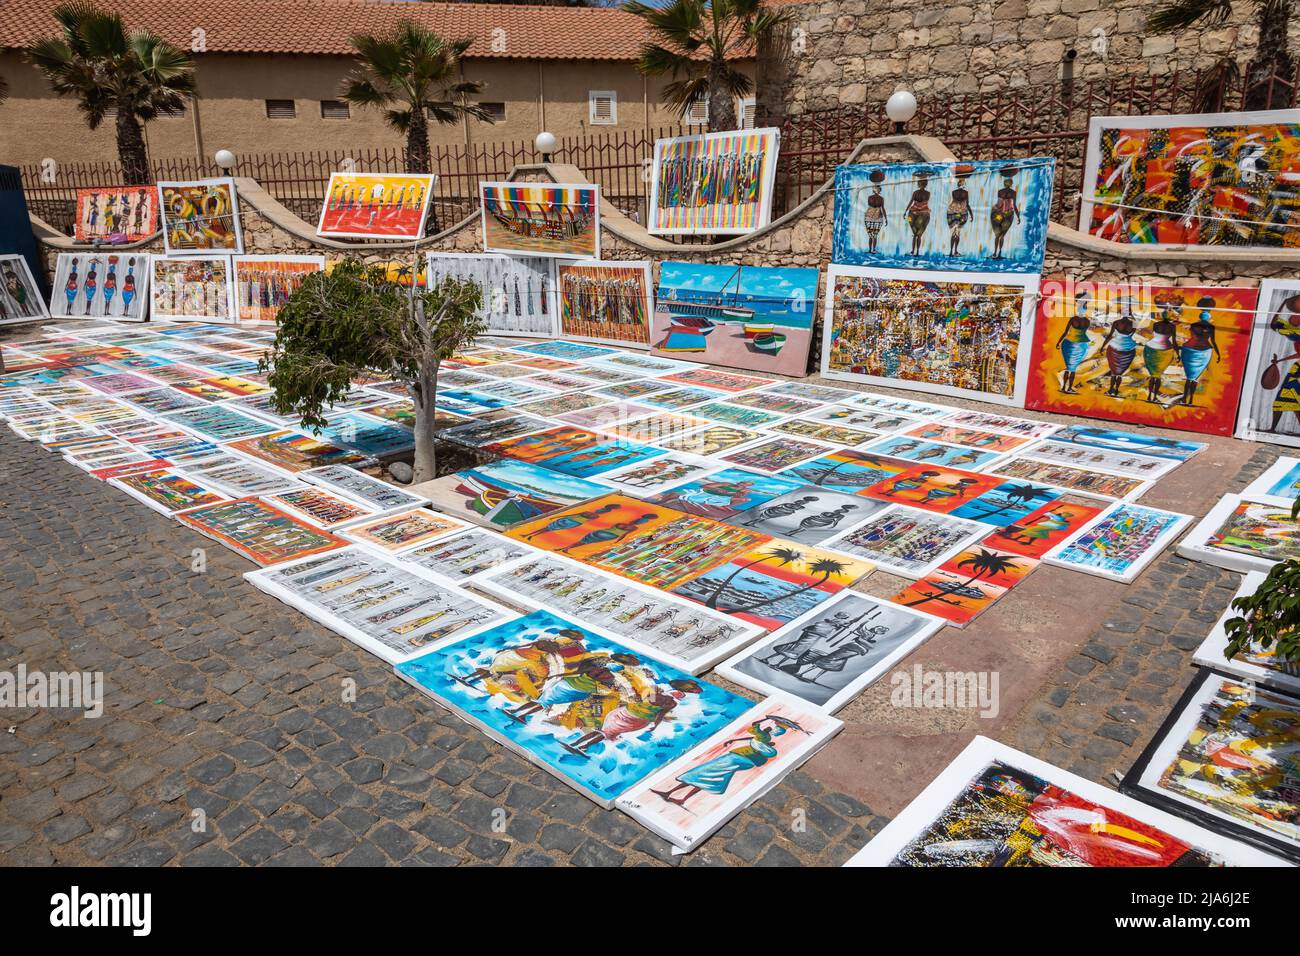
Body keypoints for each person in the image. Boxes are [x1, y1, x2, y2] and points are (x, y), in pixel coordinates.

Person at [651, 716, 806, 807]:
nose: (770, 727)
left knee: (702, 773)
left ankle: (673, 794)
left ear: (775, 731)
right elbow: (752, 735)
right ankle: (679, 797)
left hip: (740, 757)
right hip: (740, 757)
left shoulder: (765, 736)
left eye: (773, 727)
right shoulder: (763, 737)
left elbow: (754, 729)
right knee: (709, 777)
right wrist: (733, 738)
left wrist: (765, 719)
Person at [1178, 295, 1220, 406]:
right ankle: (1191, 399)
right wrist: (1218, 354)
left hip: (1189, 350)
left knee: (1189, 378)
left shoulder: (1193, 325)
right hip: (1204, 352)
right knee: (1195, 378)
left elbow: (1193, 337)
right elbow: (1214, 342)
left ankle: (1184, 399)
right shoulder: (1211, 327)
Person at [1055, 290, 1092, 394]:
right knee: (1073, 368)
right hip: (1081, 345)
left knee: (1068, 367)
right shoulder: (1087, 321)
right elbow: (1083, 333)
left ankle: (1064, 388)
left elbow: (1066, 332)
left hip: (1069, 344)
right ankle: (1069, 387)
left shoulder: (1073, 319)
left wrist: (1058, 342)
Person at [989, 166, 1021, 259]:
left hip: (998, 215)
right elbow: (1014, 205)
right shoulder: (1013, 192)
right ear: (1011, 184)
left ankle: (994, 253)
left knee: (997, 235)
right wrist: (1018, 216)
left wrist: (994, 210)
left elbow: (999, 204)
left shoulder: (1000, 191)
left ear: (1004, 183)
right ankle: (999, 253)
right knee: (1003, 235)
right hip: (1008, 215)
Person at [947, 165, 974, 257]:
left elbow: (954, 201)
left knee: (953, 232)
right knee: (957, 233)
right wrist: (971, 214)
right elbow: (967, 204)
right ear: (963, 184)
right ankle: (955, 251)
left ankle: (951, 251)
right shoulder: (965, 193)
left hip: (951, 212)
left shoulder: (954, 192)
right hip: (962, 213)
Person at [863, 168, 889, 254]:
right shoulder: (872, 198)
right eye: (875, 188)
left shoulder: (879, 198)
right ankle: (871, 249)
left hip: (875, 217)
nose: (875, 189)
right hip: (870, 217)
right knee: (871, 235)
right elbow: (879, 207)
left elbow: (883, 208)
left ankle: (873, 249)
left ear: (878, 189)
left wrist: (886, 218)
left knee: (874, 235)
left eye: (876, 188)